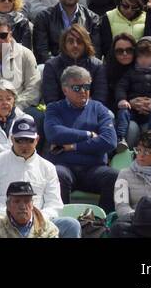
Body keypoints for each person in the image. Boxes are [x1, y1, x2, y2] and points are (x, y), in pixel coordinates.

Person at [43, 65, 118, 212]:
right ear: (65, 90)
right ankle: (61, 222)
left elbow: (109, 141)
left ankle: (104, 223)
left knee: (115, 176)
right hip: (65, 166)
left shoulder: (99, 108)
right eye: (77, 88)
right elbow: (54, 133)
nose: (83, 91)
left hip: (94, 169)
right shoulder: (54, 108)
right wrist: (88, 134)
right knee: (57, 174)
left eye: (86, 86)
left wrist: (72, 146)